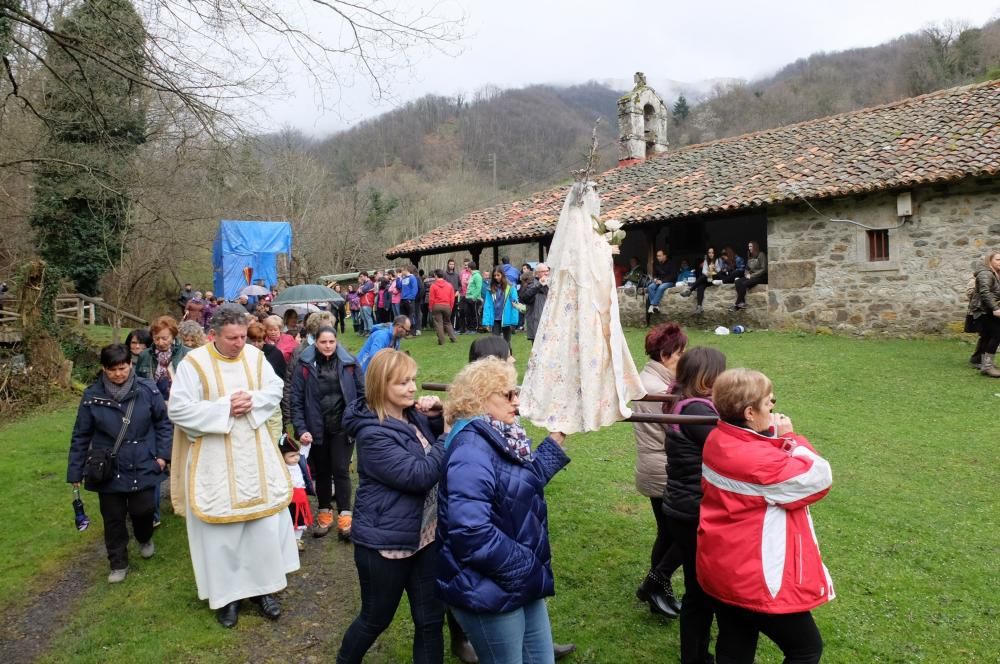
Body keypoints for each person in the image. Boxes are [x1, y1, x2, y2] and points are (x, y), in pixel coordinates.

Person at [168, 307, 298, 628]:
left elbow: (274, 388)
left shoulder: (255, 357)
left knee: (262, 529)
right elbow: (179, 409)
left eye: (242, 336)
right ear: (213, 335)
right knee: (222, 534)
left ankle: (265, 591)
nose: (240, 343)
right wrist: (225, 407)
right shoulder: (193, 364)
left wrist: (251, 402)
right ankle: (228, 598)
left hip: (255, 455)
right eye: (232, 338)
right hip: (214, 458)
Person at [438, 357, 570, 664]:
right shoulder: (471, 449)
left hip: (515, 579)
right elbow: (470, 532)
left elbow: (518, 486)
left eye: (516, 392)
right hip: (487, 590)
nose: (517, 401)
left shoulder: (501, 437)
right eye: (508, 395)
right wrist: (526, 566)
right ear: (479, 400)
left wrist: (555, 442)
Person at [699, 368, 833, 664]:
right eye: (769, 402)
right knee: (806, 649)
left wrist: (771, 435)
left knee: (735, 647)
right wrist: (791, 437)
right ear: (749, 412)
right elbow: (818, 478)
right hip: (754, 580)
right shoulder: (760, 464)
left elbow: (753, 460)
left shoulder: (717, 440)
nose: (774, 407)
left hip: (723, 570)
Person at [336, 349, 447, 664]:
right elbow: (419, 475)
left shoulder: (410, 415)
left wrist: (438, 416)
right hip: (385, 545)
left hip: (424, 537)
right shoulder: (372, 434)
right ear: (379, 386)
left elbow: (432, 438)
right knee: (375, 619)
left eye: (412, 380)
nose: (412, 388)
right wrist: (448, 434)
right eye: (402, 383)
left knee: (430, 620)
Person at [67, 344, 171, 583]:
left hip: (143, 460)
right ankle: (118, 563)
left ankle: (144, 537)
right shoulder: (92, 396)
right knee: (113, 517)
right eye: (112, 369)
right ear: (104, 369)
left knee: (143, 510)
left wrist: (162, 456)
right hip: (107, 466)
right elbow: (81, 434)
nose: (118, 374)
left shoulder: (148, 390)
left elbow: (163, 424)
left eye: (122, 368)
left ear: (130, 365)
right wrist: (75, 470)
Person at [662, 347, 727, 664]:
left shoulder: (685, 402)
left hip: (685, 508)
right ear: (707, 377)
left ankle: (700, 654)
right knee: (700, 594)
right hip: (692, 512)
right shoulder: (697, 411)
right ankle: (696, 657)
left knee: (699, 592)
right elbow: (728, 448)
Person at [630, 322, 686, 618]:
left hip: (657, 464)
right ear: (665, 355)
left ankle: (658, 590)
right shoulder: (658, 389)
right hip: (663, 466)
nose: (684, 359)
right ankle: (654, 586)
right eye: (680, 354)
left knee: (667, 533)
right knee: (677, 535)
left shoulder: (651, 380)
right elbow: (677, 433)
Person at [290, 326, 364, 540]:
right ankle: (324, 515)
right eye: (323, 342)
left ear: (336, 341)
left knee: (340, 470)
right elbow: (296, 399)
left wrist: (357, 419)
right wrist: (301, 428)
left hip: (343, 427)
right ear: (316, 343)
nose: (328, 346)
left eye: (331, 342)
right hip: (316, 429)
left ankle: (345, 517)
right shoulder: (304, 365)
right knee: (321, 472)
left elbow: (362, 393)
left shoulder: (349, 362)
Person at [135, 315, 189, 401]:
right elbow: (137, 381)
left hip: (179, 402)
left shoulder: (187, 354)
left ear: (173, 336)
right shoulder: (144, 355)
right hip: (152, 402)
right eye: (156, 338)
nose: (160, 343)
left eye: (165, 338)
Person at [969, 250, 1000, 377]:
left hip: (989, 309)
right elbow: (985, 292)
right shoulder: (985, 273)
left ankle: (985, 364)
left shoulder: (995, 273)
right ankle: (987, 366)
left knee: (988, 336)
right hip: (984, 310)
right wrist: (995, 308)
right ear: (989, 261)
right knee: (997, 334)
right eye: (998, 259)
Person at [280, 436, 312, 552]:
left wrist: (306, 442)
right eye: (291, 456)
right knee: (290, 519)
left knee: (300, 520)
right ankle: (288, 540)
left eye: (297, 454)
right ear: (282, 457)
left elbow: (304, 451)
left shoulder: (301, 462)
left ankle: (297, 539)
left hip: (301, 497)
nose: (296, 458)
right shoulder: (281, 468)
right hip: (289, 498)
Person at [482, 267, 520, 346]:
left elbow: (515, 304)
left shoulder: (510, 287)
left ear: (502, 275)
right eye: (494, 276)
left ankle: (509, 357)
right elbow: (487, 306)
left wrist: (514, 321)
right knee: (495, 343)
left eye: (498, 275)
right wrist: (486, 322)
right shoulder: (490, 288)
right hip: (495, 319)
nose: (496, 277)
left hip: (507, 319)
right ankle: (497, 358)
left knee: (507, 342)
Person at [682, 247, 724, 314]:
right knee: (700, 286)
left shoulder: (718, 260)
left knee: (703, 277)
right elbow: (704, 271)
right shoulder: (706, 260)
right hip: (708, 278)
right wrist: (708, 273)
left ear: (715, 253)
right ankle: (699, 307)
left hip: (716, 279)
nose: (710, 254)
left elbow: (720, 271)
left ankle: (690, 290)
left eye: (712, 252)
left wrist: (714, 269)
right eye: (709, 252)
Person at [519, 262, 550, 343]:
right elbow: (524, 298)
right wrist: (539, 285)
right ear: (536, 274)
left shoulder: (550, 283)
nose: (546, 273)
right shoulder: (531, 284)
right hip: (536, 323)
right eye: (543, 271)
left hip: (548, 322)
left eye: (547, 270)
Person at [733, 241, 768, 310]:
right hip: (752, 275)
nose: (749, 248)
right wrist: (746, 273)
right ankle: (742, 302)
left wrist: (751, 276)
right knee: (737, 282)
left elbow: (763, 269)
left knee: (744, 284)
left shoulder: (761, 254)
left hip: (761, 276)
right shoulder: (750, 256)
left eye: (751, 246)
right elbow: (748, 268)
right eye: (749, 246)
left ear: (755, 247)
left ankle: (737, 304)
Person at [429, 269, 458, 345]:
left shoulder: (433, 285)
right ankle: (453, 338)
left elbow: (431, 298)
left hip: (437, 306)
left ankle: (441, 341)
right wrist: (450, 307)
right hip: (447, 306)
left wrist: (430, 307)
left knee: (439, 324)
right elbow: (452, 298)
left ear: (436, 275)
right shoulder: (449, 285)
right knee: (448, 322)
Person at [647, 249, 678, 314]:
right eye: (657, 256)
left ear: (664, 256)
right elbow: (655, 274)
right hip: (659, 281)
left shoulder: (671, 263)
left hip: (670, 282)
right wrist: (655, 279)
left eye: (659, 256)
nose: (658, 257)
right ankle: (656, 306)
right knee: (650, 287)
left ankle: (652, 305)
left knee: (661, 287)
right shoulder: (657, 264)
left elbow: (673, 276)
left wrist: (662, 281)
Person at [464, 261, 484, 334]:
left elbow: (479, 288)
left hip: (475, 299)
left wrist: (474, 297)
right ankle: (470, 329)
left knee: (475, 314)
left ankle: (476, 328)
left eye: (467, 267)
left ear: (470, 268)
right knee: (469, 314)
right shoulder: (472, 275)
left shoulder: (477, 276)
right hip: (468, 298)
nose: (466, 269)